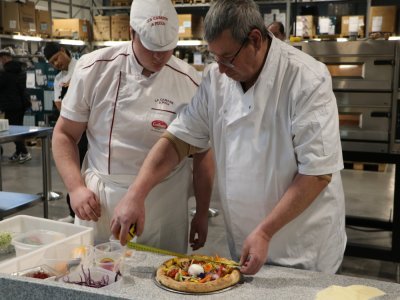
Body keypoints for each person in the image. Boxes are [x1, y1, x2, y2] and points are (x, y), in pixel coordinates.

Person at [110, 0, 346, 276]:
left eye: (227, 58)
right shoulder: (216, 80)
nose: (220, 68)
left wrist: (266, 232)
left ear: (255, 40)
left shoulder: (305, 79)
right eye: (214, 58)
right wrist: (136, 193)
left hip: (301, 246)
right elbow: (177, 141)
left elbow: (317, 174)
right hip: (248, 241)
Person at [52, 0, 214, 253]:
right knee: (94, 275)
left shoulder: (190, 82)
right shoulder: (94, 69)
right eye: (151, 48)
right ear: (131, 33)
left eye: (168, 48)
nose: (160, 57)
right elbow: (64, 134)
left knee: (161, 279)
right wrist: (75, 188)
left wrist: (202, 212)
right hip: (100, 201)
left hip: (164, 201)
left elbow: (203, 153)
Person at [44, 42, 84, 224]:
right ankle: (73, 213)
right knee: (72, 171)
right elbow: (60, 106)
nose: (56, 64)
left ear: (63, 50)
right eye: (52, 63)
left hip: (89, 130)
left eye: (56, 58)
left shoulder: (83, 66)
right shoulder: (58, 79)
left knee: (88, 171)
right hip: (72, 131)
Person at [0, 51, 32, 163]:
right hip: (20, 104)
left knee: (13, 131)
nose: (1, 61)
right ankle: (19, 152)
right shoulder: (19, 70)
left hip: (11, 106)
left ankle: (24, 152)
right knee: (17, 129)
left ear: (6, 58)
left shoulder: (6, 73)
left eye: (2, 59)